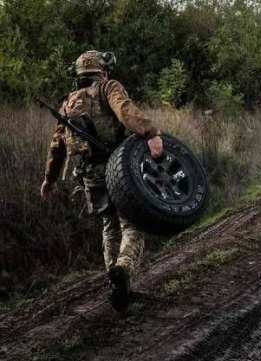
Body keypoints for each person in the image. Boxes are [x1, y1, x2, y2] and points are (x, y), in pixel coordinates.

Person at [40, 50, 163, 312]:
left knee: (108, 225)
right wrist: (150, 132)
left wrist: (50, 178)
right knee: (132, 224)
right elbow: (125, 110)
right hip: (119, 168)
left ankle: (114, 280)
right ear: (102, 71)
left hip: (89, 174)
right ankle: (123, 269)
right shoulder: (108, 87)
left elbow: (56, 146)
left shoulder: (67, 103)